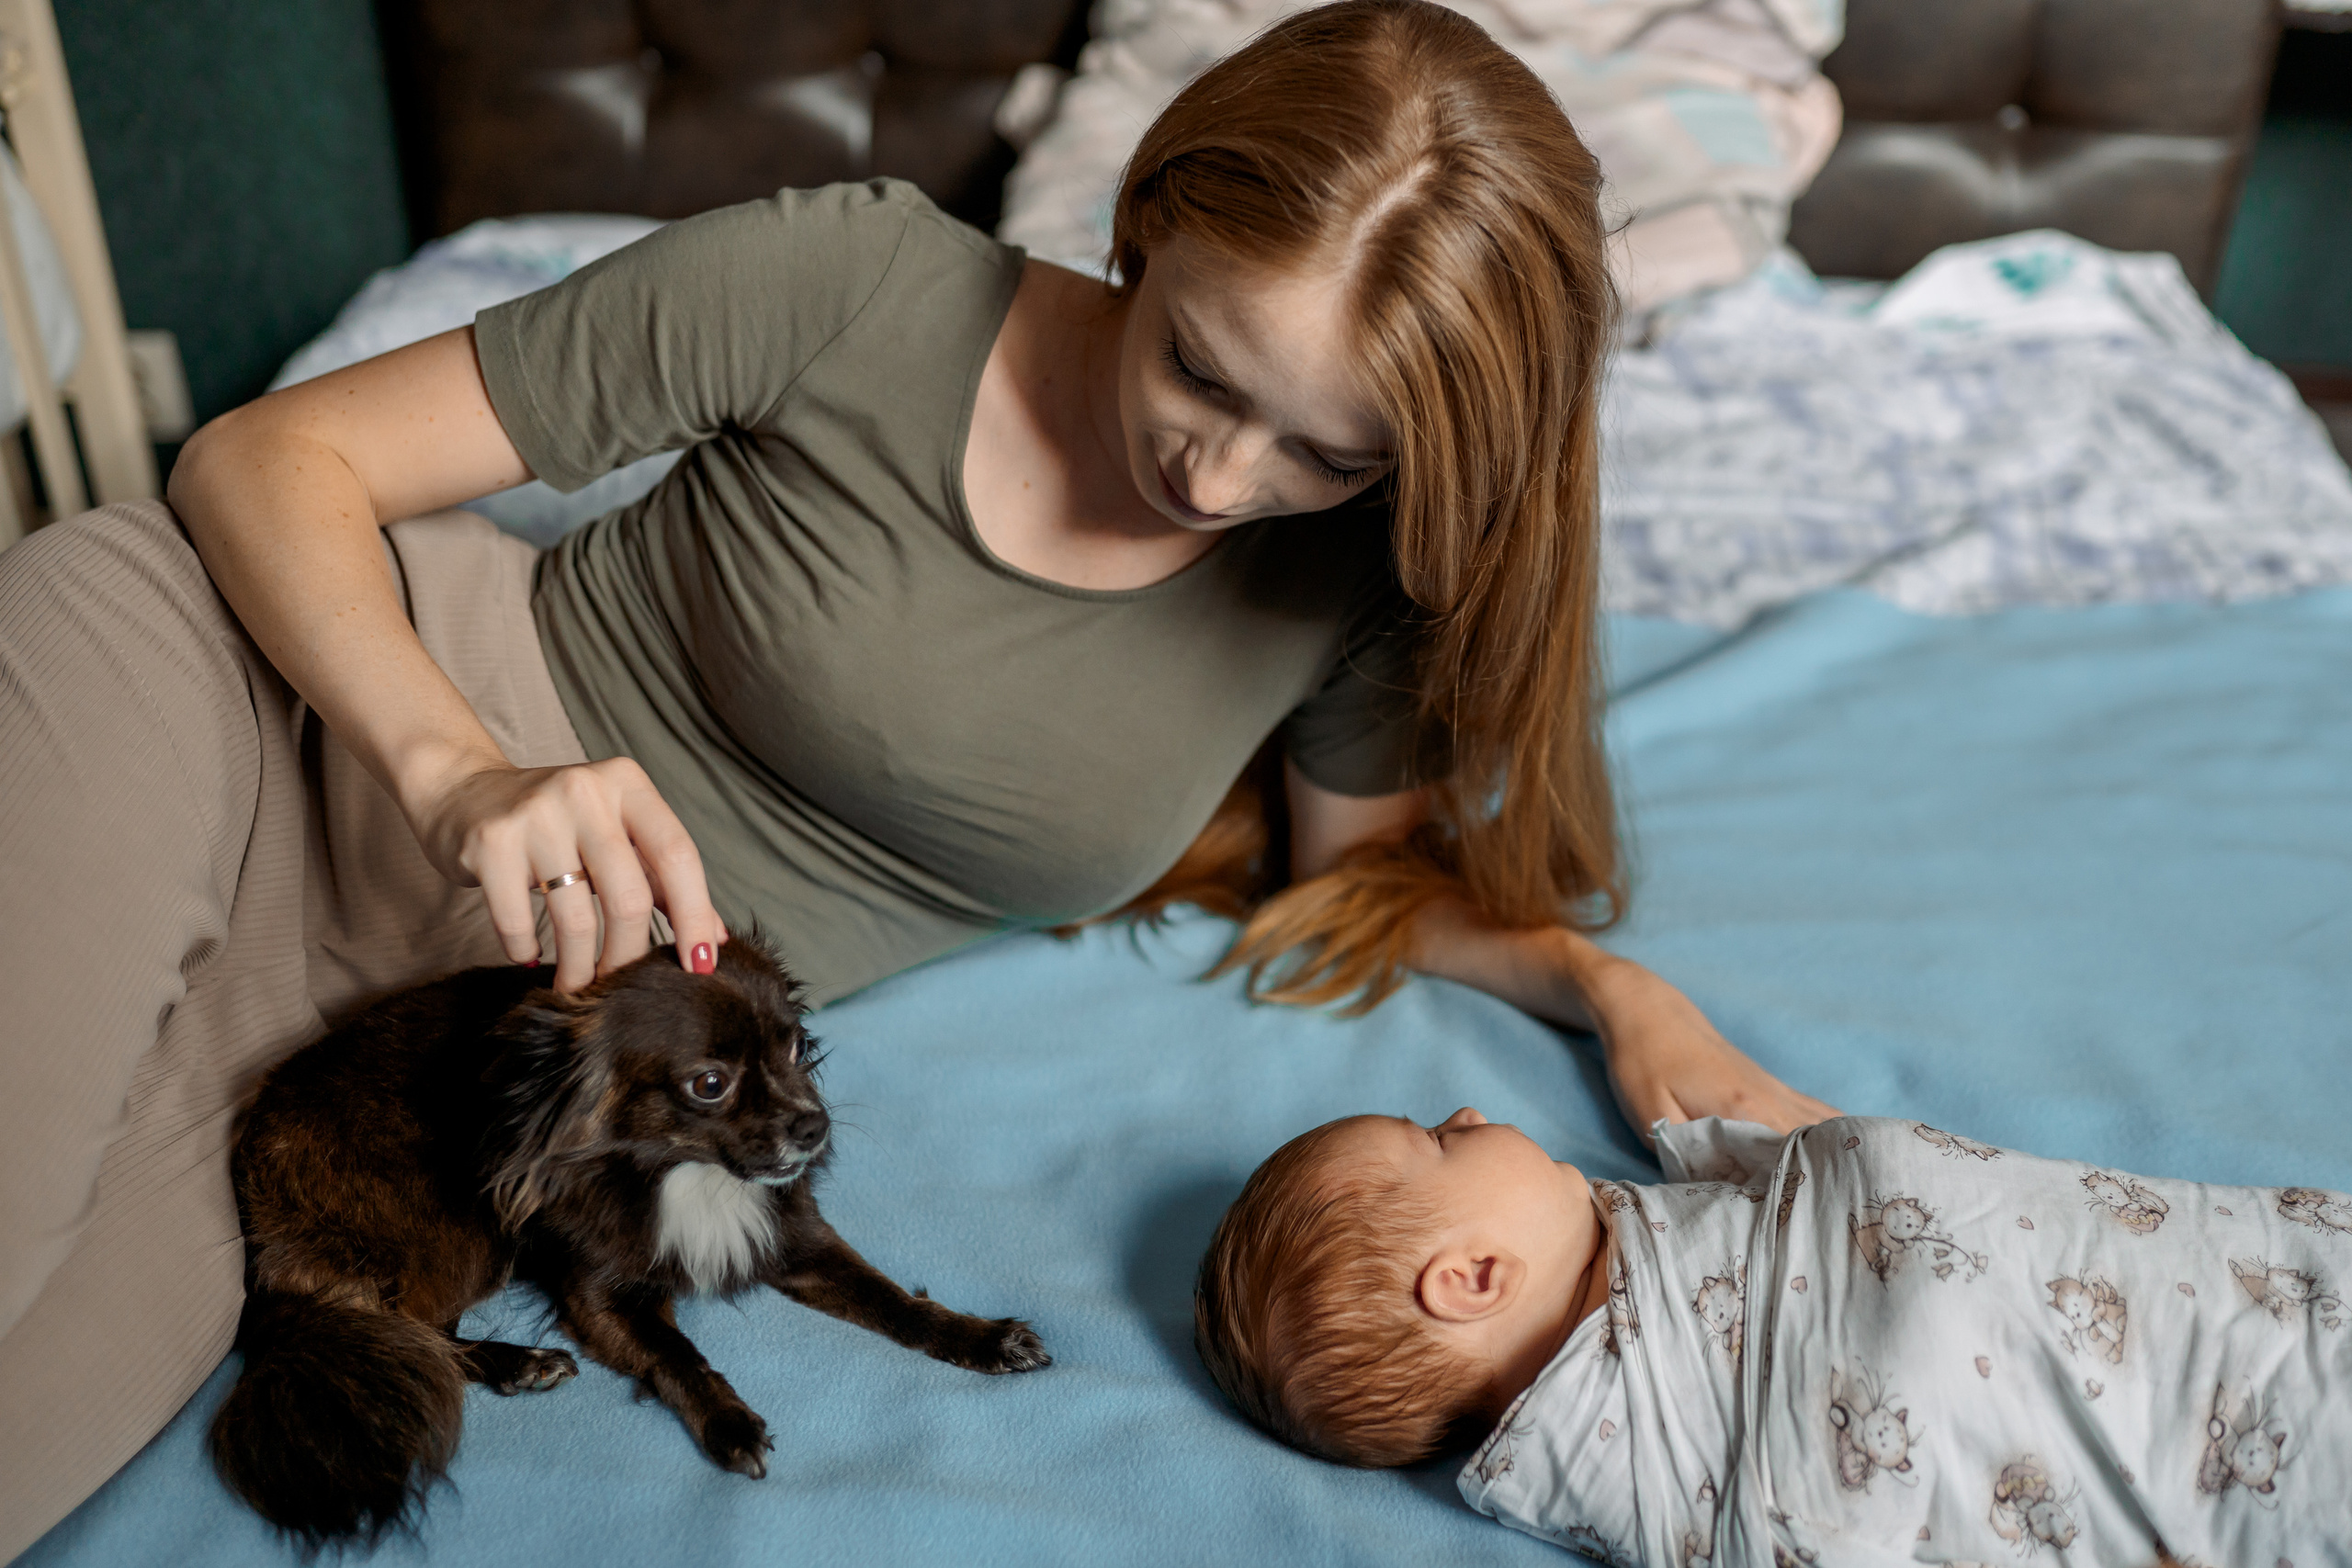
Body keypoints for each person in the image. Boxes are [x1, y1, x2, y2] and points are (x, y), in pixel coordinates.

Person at [0, 0, 1832, 1549]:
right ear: (1151, 212)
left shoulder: (1350, 588)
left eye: (1323, 454)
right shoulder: (859, 279)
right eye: (1202, 366)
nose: (1220, 477)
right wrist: (463, 771)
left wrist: (1605, 984)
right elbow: (263, 461)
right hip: (273, 724)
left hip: (419, 1090)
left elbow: (1340, 878)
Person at [1193, 1108, 2352, 1566]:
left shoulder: (1637, 1251)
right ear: (1473, 1277)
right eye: (1436, 1140)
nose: (1469, 1114)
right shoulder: (1640, 1456)